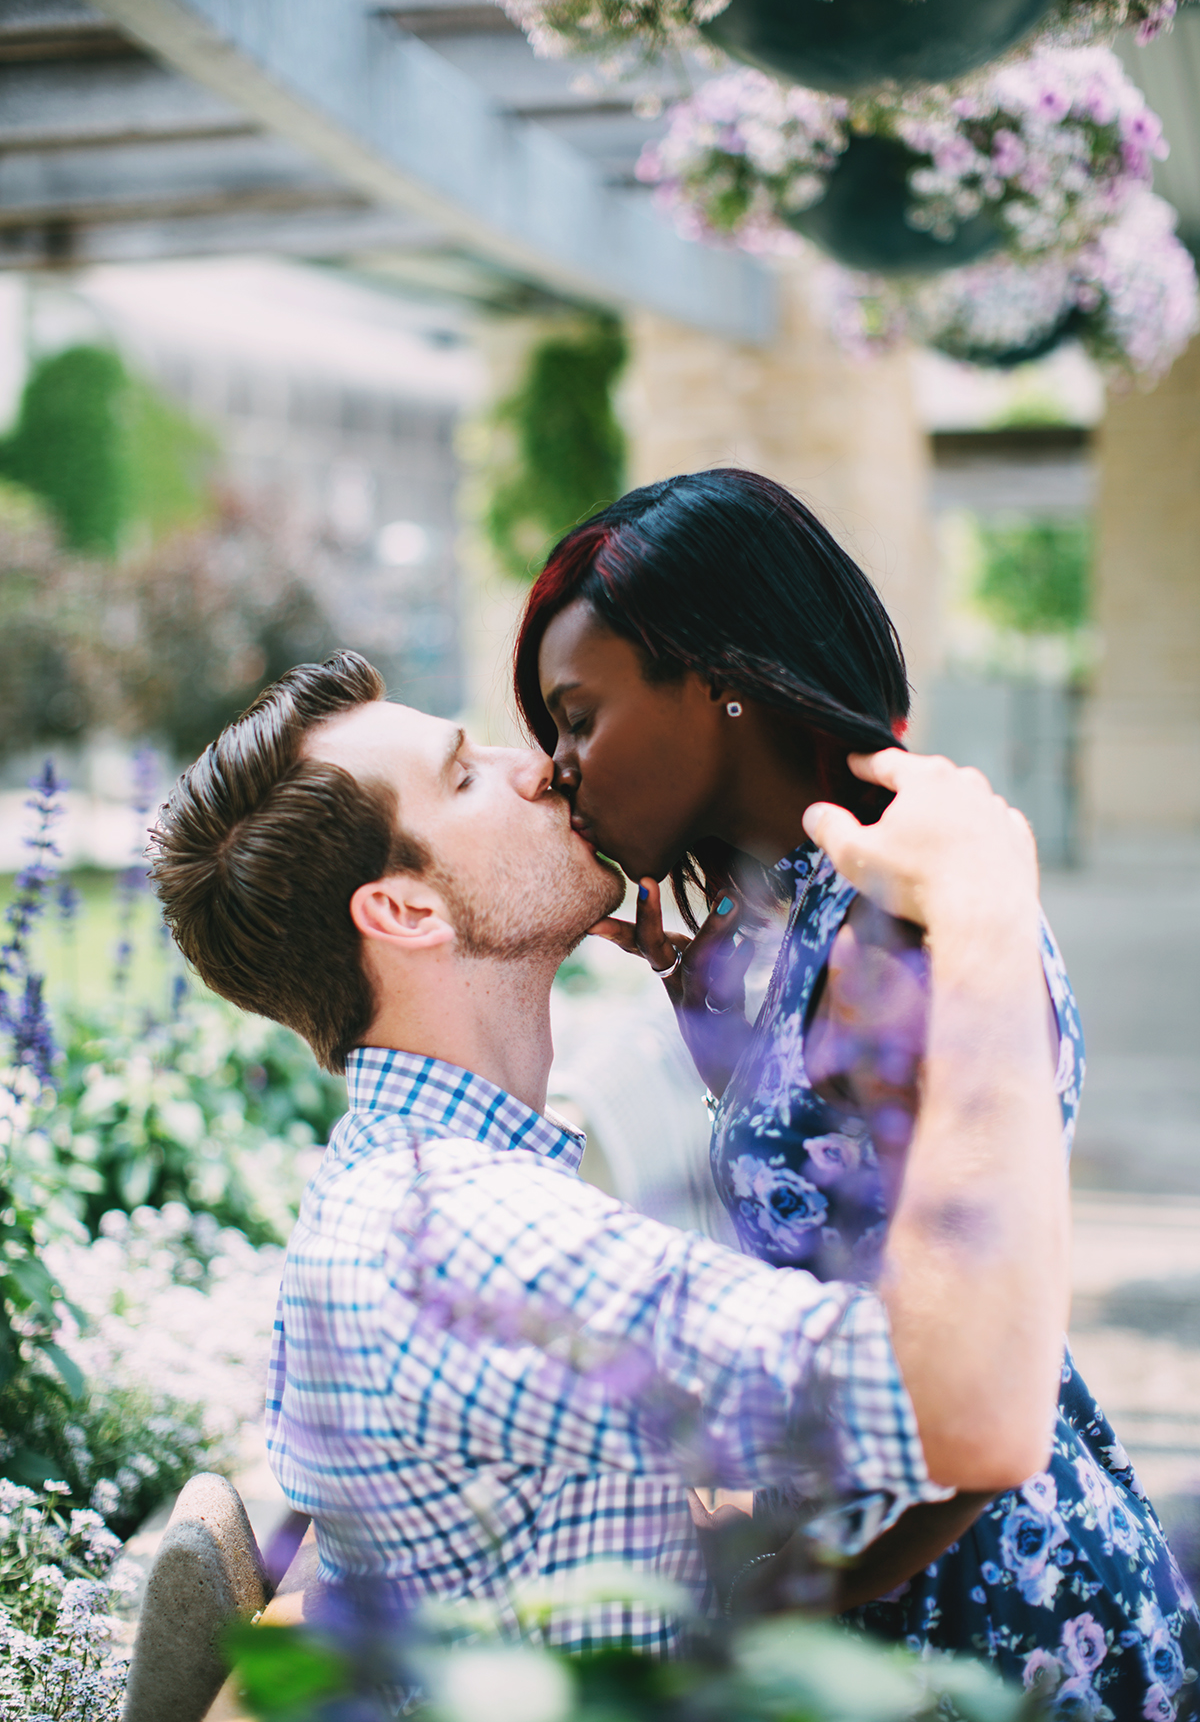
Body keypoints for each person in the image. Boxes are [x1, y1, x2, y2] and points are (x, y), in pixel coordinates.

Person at [148, 649, 1070, 1654]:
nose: (537, 766)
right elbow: (965, 1408)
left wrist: (750, 1065)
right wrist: (987, 926)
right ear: (404, 912)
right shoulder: (466, 1241)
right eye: (465, 774)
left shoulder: (399, 1190)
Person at [517, 467, 1200, 1712]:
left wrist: (783, 1595)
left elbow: (970, 1395)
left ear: (717, 680)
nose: (559, 766)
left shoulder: (909, 909)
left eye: (577, 716)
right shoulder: (800, 916)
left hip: (994, 1613)